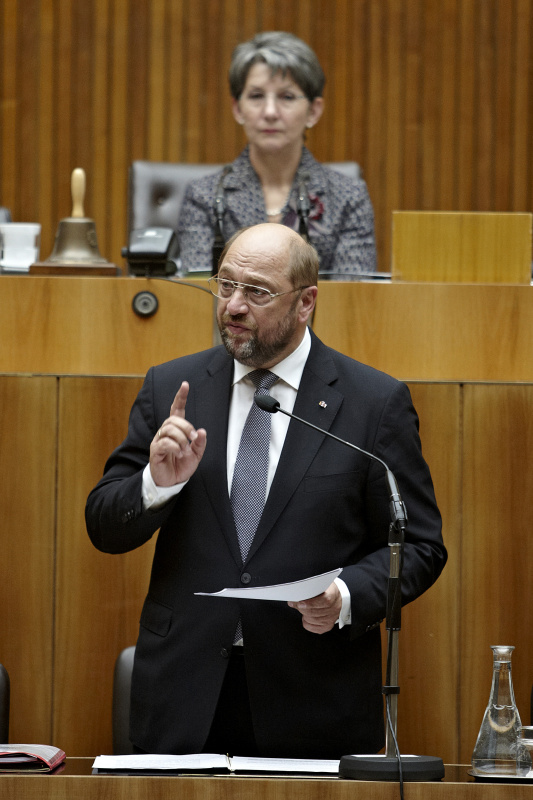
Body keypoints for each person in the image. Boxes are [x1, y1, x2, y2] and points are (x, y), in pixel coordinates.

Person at [86, 223, 446, 759]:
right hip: (183, 694)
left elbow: (418, 545)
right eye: (226, 284)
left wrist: (345, 596)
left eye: (256, 292)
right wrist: (156, 485)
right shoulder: (172, 388)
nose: (233, 306)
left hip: (312, 695)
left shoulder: (373, 403)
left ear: (306, 303)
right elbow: (103, 525)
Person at [177, 31, 377, 277]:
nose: (270, 112)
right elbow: (198, 293)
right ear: (237, 109)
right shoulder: (204, 197)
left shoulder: (348, 198)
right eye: (256, 96)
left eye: (287, 97)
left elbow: (352, 294)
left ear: (313, 111)